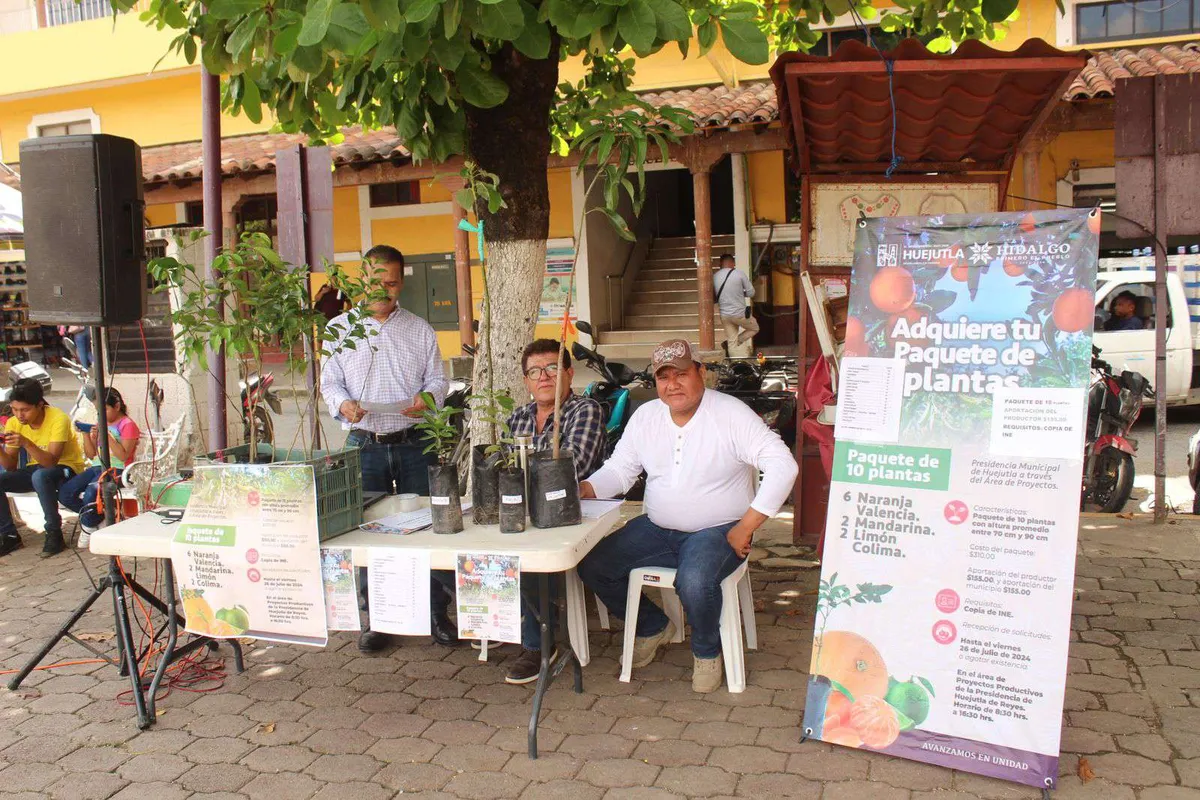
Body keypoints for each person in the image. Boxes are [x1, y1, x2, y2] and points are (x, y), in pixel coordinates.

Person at [577, 339, 797, 693]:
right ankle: (652, 626)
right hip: (659, 527)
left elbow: (782, 465)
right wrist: (586, 488)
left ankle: (707, 651)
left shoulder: (730, 414)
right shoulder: (647, 416)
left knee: (694, 582)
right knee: (593, 565)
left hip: (720, 530)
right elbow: (620, 470)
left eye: (681, 373)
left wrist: (748, 525)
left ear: (701, 373)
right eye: (664, 377)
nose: (673, 384)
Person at [321, 244, 459, 653]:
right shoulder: (339, 329)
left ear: (401, 282)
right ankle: (376, 619)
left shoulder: (418, 328)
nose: (383, 289)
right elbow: (330, 384)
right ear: (362, 279)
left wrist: (428, 399)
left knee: (428, 526)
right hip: (364, 444)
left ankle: (437, 614)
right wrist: (343, 405)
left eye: (392, 282)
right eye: (376, 281)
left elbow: (438, 379)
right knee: (365, 531)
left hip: (413, 441)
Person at [500, 339, 606, 684]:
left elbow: (572, 465)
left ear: (568, 373)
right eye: (534, 371)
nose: (543, 376)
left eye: (551, 368)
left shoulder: (584, 410)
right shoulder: (516, 417)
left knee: (530, 554)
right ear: (527, 381)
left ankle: (538, 644)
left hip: (570, 514)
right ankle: (504, 619)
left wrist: (524, 468)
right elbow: (505, 468)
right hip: (524, 511)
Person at [0, 378, 87, 557]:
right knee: (21, 477)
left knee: (40, 475)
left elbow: (51, 462)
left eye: (25, 410)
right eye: (15, 409)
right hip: (36, 471)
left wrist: (26, 442)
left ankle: (54, 532)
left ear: (40, 405)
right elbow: (9, 466)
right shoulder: (13, 423)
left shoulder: (58, 418)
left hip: (66, 469)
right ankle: (8, 534)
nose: (19, 415)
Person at [59, 388, 140, 548]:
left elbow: (123, 456)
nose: (101, 414)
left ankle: (88, 528)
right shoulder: (100, 423)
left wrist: (108, 437)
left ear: (117, 406)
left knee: (91, 492)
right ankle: (99, 518)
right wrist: (86, 435)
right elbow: (90, 455)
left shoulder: (127, 425)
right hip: (98, 467)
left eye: (105, 410)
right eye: (98, 411)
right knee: (65, 492)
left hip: (119, 470)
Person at [713, 254, 759, 357]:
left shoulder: (714, 276)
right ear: (733, 263)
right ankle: (738, 341)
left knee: (731, 341)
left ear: (720, 264)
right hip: (740, 314)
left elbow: (713, 296)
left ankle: (733, 366)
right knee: (754, 328)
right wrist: (741, 293)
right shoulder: (739, 274)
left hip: (725, 315)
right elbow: (751, 293)